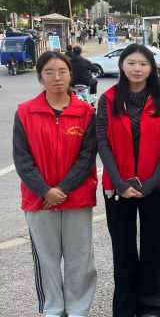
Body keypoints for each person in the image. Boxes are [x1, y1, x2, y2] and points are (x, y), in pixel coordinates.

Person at [13, 51, 98, 317]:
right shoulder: (25, 112)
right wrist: (44, 190)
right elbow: (22, 158)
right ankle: (52, 308)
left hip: (77, 197)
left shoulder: (85, 112)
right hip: (39, 200)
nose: (56, 77)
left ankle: (77, 309)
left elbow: (87, 157)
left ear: (70, 74)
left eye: (62, 71)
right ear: (40, 77)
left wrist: (61, 190)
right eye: (49, 72)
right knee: (46, 259)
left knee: (80, 258)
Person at [97, 43, 160, 317]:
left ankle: (151, 306)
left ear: (152, 67)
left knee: (154, 248)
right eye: (131, 63)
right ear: (122, 65)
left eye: (143, 64)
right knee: (123, 249)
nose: (137, 69)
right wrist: (120, 183)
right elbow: (102, 141)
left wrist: (152, 182)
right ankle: (124, 307)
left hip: (156, 185)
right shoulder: (108, 99)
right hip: (117, 187)